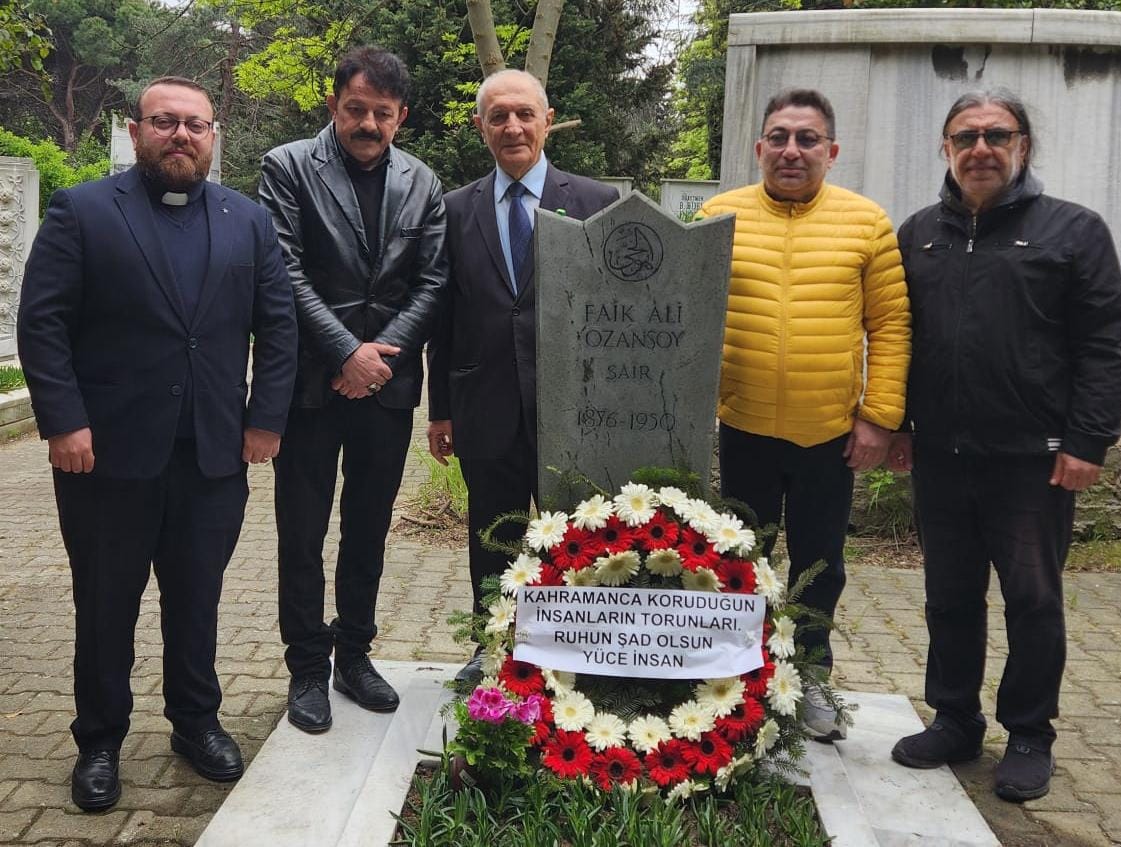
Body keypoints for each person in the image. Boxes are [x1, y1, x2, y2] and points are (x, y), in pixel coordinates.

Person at [16, 77, 297, 811]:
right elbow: (42, 321)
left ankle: (195, 722)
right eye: (164, 121)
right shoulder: (83, 211)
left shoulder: (249, 221)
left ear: (214, 136)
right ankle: (100, 739)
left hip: (211, 453)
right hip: (105, 455)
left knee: (198, 597)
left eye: (195, 124)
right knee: (105, 602)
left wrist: (265, 418)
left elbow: (278, 326)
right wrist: (63, 420)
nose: (181, 134)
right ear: (136, 130)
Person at [888, 89, 1121, 802]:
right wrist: (896, 424)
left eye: (996, 134)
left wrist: (1087, 439)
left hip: (1032, 457)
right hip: (941, 456)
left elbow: (1103, 345)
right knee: (948, 596)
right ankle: (955, 718)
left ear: (1023, 146)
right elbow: (901, 337)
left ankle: (1028, 732)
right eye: (965, 136)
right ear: (946, 149)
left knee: (1033, 599)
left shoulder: (1073, 231)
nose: (980, 148)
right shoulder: (918, 232)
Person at [696, 88, 911, 741]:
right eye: (780, 137)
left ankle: (809, 677)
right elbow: (685, 310)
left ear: (831, 150)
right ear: (759, 147)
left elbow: (892, 323)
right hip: (742, 427)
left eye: (807, 139)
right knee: (739, 559)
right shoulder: (718, 214)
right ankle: (735, 680)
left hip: (829, 435)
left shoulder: (866, 222)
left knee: (820, 563)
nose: (792, 150)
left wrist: (879, 416)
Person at [258, 46, 447, 733]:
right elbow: (282, 270)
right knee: (301, 533)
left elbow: (431, 280)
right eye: (356, 109)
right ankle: (306, 665)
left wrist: (378, 360)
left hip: (387, 390)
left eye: (383, 114)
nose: (368, 124)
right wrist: (345, 352)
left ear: (401, 116)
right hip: (310, 384)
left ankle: (354, 653)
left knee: (367, 528)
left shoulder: (421, 181)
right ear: (333, 104)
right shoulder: (287, 167)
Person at [425, 69, 617, 684]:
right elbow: (444, 318)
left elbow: (617, 317)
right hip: (486, 407)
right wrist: (440, 410)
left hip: (574, 412)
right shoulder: (454, 210)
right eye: (499, 116)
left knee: (581, 539)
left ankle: (581, 656)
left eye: (525, 114)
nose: (513, 127)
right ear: (481, 126)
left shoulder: (597, 203)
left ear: (547, 119)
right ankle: (493, 649)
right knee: (494, 539)